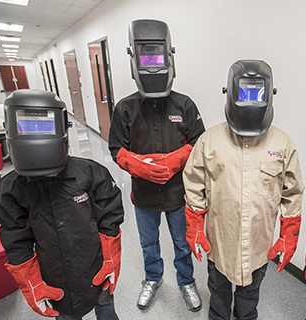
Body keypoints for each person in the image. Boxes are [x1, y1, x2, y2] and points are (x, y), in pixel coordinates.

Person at [183, 59, 304, 320]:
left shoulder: (283, 144)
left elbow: (292, 193)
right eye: (244, 91)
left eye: (257, 91)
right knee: (218, 298)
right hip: (220, 247)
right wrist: (194, 226)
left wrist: (288, 235)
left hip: (258, 249)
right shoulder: (209, 141)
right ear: (229, 91)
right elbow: (193, 183)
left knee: (249, 304)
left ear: (270, 94)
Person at [0, 89, 124, 320]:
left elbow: (110, 219)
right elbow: (16, 240)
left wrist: (111, 257)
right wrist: (30, 282)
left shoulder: (91, 173)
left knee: (105, 309)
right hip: (55, 280)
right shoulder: (9, 190)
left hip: (97, 268)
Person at [108, 19, 205, 312]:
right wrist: (137, 165)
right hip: (145, 196)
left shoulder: (184, 105)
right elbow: (116, 148)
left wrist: (177, 159)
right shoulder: (125, 108)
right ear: (134, 60)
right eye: (145, 56)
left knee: (181, 242)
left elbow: (200, 143)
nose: (151, 63)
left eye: (156, 56)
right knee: (148, 243)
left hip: (179, 194)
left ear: (169, 56)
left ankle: (186, 282)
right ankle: (152, 278)